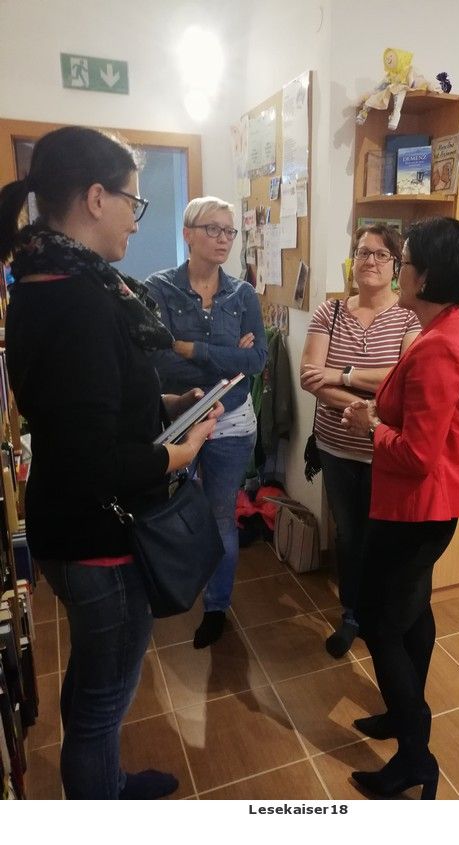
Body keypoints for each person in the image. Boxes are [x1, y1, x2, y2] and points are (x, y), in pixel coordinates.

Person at [0, 126, 222, 799]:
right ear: (96, 198)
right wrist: (179, 452)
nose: (135, 217)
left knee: (93, 684)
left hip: (65, 522)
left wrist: (165, 402)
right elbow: (96, 458)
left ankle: (109, 783)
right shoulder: (82, 300)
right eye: (132, 201)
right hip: (99, 535)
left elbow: (83, 406)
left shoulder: (40, 281)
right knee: (102, 706)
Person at [341, 217, 459, 799]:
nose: (395, 269)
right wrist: (380, 417)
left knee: (379, 623)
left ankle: (416, 756)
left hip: (418, 508)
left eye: (402, 262)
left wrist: (370, 425)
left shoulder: (439, 347)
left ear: (424, 276)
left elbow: (419, 455)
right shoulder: (447, 328)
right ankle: (402, 718)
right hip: (422, 506)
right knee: (413, 613)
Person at [145, 196, 267, 648]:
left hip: (232, 422)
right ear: (188, 234)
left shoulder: (243, 293)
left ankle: (216, 607)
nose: (222, 239)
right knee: (166, 511)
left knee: (220, 517)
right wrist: (226, 356)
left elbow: (256, 360)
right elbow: (156, 358)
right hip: (179, 418)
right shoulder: (159, 289)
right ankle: (167, 590)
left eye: (229, 231)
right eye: (212, 229)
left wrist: (191, 349)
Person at [300, 224, 420, 658]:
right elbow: (309, 377)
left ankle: (379, 615)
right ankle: (351, 614)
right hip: (335, 448)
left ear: (396, 265)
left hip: (384, 450)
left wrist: (342, 375)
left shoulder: (409, 317)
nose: (370, 261)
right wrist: (364, 407)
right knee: (349, 537)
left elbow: (403, 379)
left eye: (381, 254)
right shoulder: (329, 312)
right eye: (363, 252)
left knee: (380, 537)